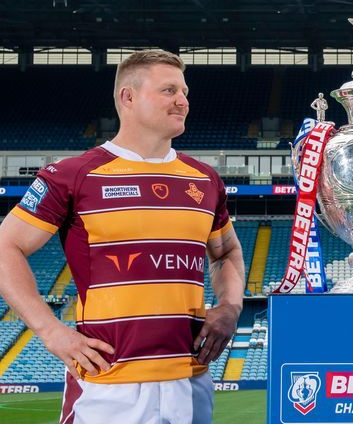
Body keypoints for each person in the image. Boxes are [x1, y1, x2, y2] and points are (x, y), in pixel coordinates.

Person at [0, 49, 245, 424]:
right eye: (168, 90)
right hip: (109, 386)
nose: (182, 101)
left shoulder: (205, 179)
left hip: (192, 380)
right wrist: (51, 332)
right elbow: (6, 246)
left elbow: (226, 251)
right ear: (127, 98)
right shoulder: (72, 175)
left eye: (184, 92)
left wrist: (230, 306)